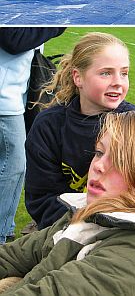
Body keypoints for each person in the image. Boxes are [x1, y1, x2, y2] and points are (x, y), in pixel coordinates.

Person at [0, 111, 135, 295]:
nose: (98, 165)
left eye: (120, 160)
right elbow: (16, 254)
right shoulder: (89, 214)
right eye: (99, 152)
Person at [24, 32, 135, 230]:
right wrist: (82, 225)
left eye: (124, 73)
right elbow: (41, 198)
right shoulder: (49, 126)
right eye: (106, 73)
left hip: (115, 232)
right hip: (61, 229)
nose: (118, 82)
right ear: (78, 77)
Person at [0, 27, 65, 245]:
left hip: (15, 94)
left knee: (16, 166)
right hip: (4, 99)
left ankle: (6, 228)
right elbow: (14, 40)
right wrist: (56, 24)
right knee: (14, 165)